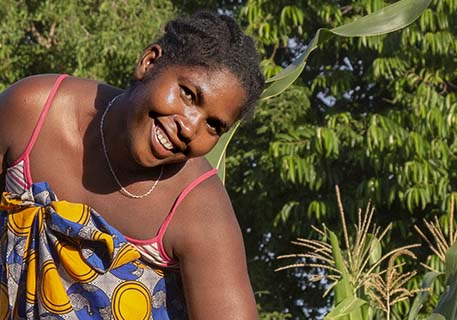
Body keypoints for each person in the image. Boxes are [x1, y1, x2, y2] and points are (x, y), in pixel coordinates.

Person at [0, 11, 262, 319]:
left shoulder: (199, 211)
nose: (190, 128)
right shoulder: (33, 113)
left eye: (214, 125)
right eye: (189, 95)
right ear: (149, 62)